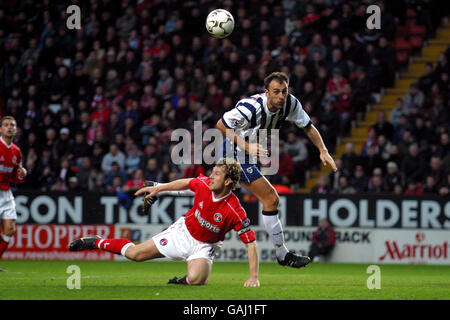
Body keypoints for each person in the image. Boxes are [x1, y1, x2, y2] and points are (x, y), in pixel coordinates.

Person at [69, 158, 260, 287]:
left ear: (228, 182)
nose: (211, 176)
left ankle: (184, 280)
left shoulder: (234, 210)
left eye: (217, 174)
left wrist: (253, 277)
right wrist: (159, 188)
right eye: (213, 172)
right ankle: (97, 242)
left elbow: (251, 243)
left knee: (197, 280)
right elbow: (186, 182)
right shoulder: (203, 184)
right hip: (182, 232)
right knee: (135, 255)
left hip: (206, 245)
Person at [216, 72, 337, 268]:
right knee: (271, 198)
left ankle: (160, 188)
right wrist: (247, 147)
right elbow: (221, 125)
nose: (281, 96)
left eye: (284, 91)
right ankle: (282, 254)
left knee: (214, 196)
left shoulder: (290, 104)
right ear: (266, 93)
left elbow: (308, 127)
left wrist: (323, 150)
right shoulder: (250, 108)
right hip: (235, 153)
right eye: (276, 92)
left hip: (250, 153)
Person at [0, 116, 27, 269]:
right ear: (0, 129)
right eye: (6, 125)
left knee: (9, 230)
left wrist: (22, 174)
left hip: (6, 193)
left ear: (15, 130)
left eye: (12, 125)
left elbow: (15, 177)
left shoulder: (17, 151)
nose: (9, 127)